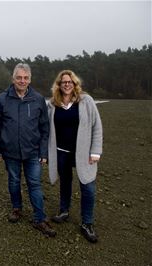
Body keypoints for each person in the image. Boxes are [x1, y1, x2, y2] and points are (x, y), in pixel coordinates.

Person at [0, 63, 56, 237]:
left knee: (34, 184)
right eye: (19, 77)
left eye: (25, 78)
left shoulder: (38, 99)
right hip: (10, 151)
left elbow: (44, 128)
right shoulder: (3, 99)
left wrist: (43, 152)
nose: (22, 81)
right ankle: (17, 208)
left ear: (30, 79)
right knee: (14, 181)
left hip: (32, 152)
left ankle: (39, 218)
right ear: (13, 79)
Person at [47, 70, 103, 243]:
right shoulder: (52, 104)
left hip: (83, 153)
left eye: (70, 81)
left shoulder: (86, 101)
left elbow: (97, 126)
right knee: (65, 182)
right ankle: (64, 211)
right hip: (62, 152)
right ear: (58, 84)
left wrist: (95, 151)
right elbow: (47, 130)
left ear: (75, 83)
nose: (67, 84)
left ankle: (87, 223)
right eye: (63, 82)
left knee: (88, 186)